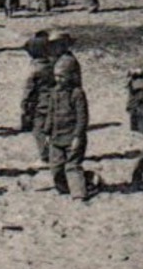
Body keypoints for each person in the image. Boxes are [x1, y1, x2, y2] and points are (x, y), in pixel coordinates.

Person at [43, 56, 91, 199]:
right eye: (56, 76)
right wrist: (47, 132)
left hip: (72, 137)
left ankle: (78, 193)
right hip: (56, 137)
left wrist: (77, 136)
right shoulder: (54, 93)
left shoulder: (77, 94)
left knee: (72, 166)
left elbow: (82, 118)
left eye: (62, 76)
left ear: (72, 76)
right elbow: (50, 114)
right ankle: (64, 187)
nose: (58, 79)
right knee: (56, 166)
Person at [20, 33, 55, 165]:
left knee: (38, 130)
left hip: (40, 102)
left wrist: (24, 105)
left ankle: (45, 156)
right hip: (54, 100)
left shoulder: (34, 69)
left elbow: (29, 90)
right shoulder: (53, 64)